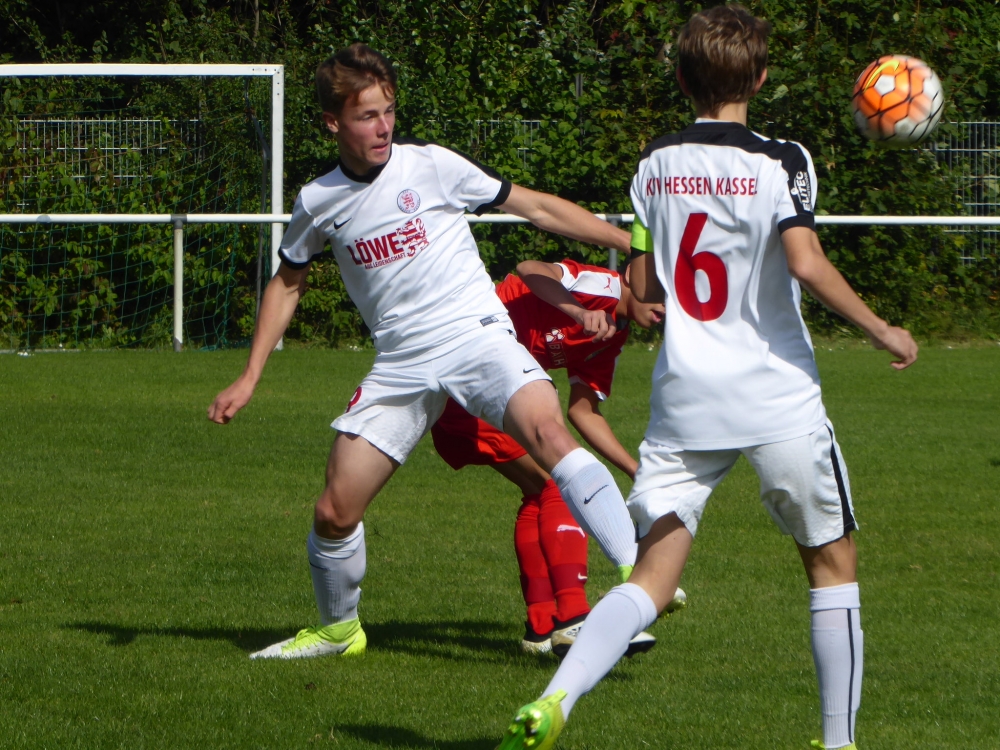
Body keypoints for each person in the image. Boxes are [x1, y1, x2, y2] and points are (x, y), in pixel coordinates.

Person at [496, 6, 918, 750]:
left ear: (683, 78)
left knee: (650, 580)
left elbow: (644, 287)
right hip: (775, 395)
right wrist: (881, 328)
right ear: (760, 77)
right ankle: (838, 742)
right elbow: (805, 262)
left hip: (686, 398)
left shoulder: (654, 161)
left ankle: (558, 697)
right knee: (832, 565)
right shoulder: (783, 159)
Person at [208, 43, 642, 659]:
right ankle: (339, 632)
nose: (383, 126)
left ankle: (636, 580)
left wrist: (631, 242)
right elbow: (288, 281)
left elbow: (538, 208)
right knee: (335, 509)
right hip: (401, 362)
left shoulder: (432, 165)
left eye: (388, 111)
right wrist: (250, 375)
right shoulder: (318, 201)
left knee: (548, 432)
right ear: (333, 123)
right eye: (366, 116)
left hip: (475, 335)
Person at [430, 258, 686, 656]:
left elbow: (583, 412)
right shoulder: (601, 286)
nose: (666, 309)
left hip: (487, 396)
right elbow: (529, 267)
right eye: (663, 294)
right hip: (467, 377)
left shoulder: (614, 335)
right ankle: (573, 617)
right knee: (563, 481)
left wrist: (637, 470)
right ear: (633, 277)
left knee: (542, 489)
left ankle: (540, 627)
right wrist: (579, 311)